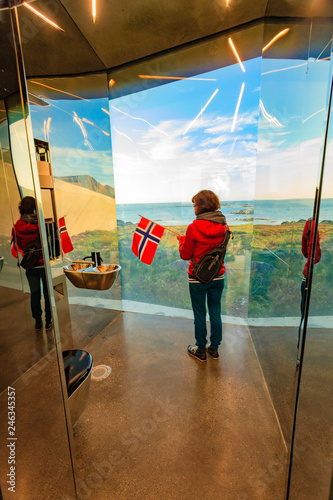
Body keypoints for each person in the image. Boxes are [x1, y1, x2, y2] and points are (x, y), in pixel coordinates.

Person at [177, 190, 228, 362]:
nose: (194, 207)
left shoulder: (193, 227)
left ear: (201, 206)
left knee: (199, 314)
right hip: (218, 276)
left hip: (197, 278)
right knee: (215, 312)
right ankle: (214, 349)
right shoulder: (224, 226)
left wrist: (182, 241)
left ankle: (200, 350)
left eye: (195, 204)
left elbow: (185, 255)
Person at [11, 196, 52, 331]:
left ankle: (38, 321)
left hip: (30, 265)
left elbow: (19, 246)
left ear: (21, 208)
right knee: (47, 294)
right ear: (34, 207)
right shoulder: (40, 223)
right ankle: (48, 321)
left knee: (35, 294)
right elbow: (47, 242)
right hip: (43, 264)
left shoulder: (17, 226)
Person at [297, 217, 321, 365]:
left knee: (303, 312)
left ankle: (299, 353)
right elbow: (314, 255)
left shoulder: (309, 224)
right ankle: (299, 353)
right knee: (304, 312)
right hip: (308, 275)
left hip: (306, 275)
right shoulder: (312, 225)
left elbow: (305, 251)